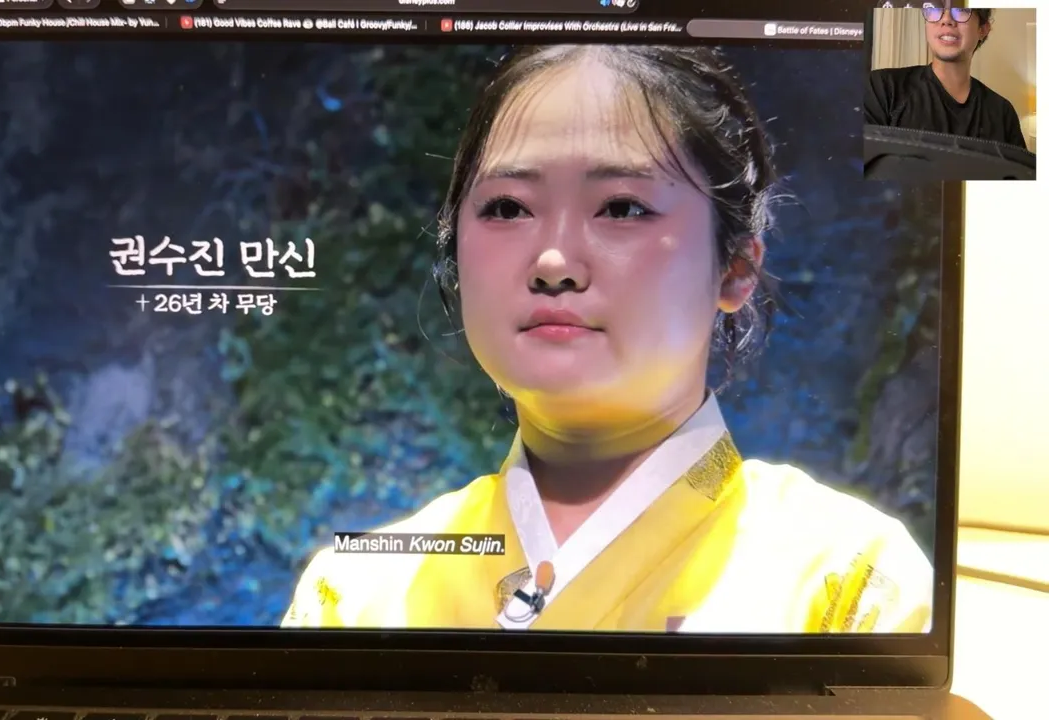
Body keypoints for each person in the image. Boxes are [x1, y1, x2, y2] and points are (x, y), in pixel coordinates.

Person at [282, 45, 934, 633]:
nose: (553, 262)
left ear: (736, 267)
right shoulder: (358, 592)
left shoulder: (846, 582)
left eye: (621, 207)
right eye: (507, 207)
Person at [865, 4, 1027, 149]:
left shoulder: (1002, 112)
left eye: (961, 9)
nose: (946, 20)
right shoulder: (883, 87)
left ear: (983, 29)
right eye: (936, 8)